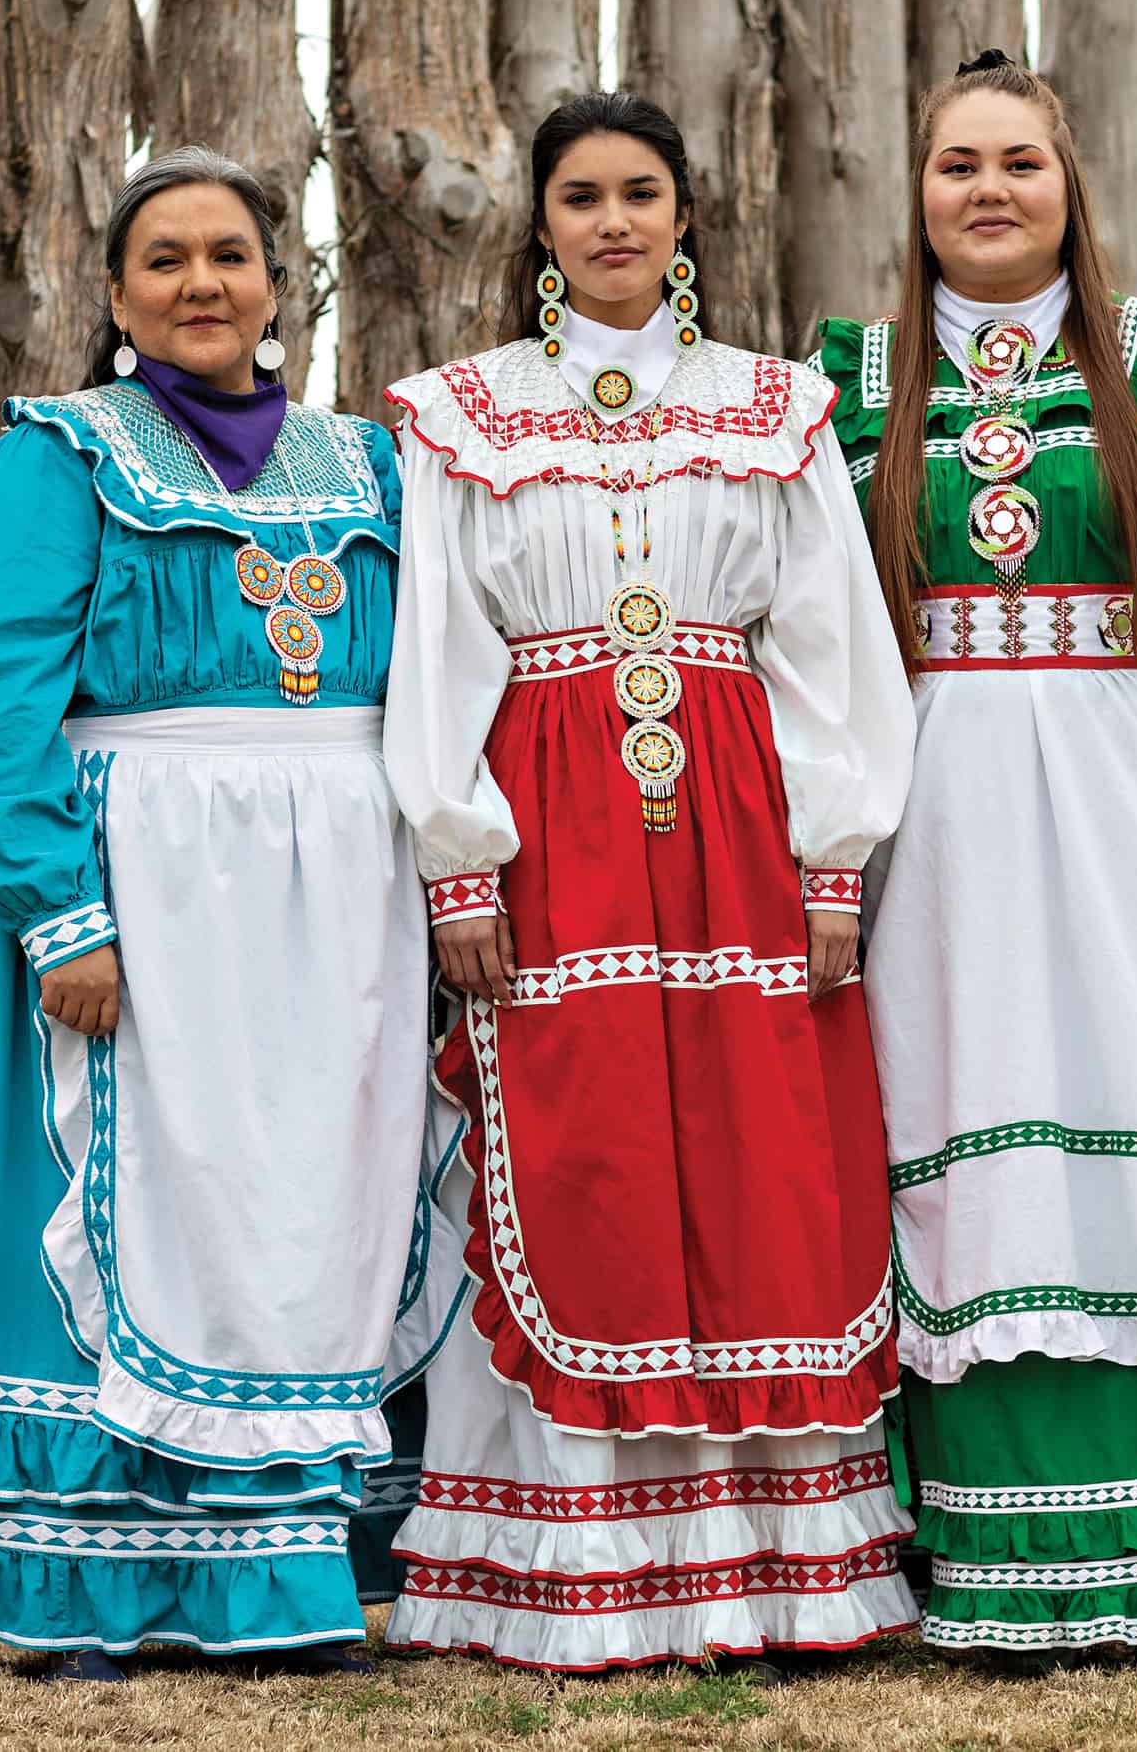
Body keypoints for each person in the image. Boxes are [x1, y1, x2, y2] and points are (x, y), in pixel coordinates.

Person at [379, 91, 919, 1672]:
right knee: (583, 1142)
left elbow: (828, 649)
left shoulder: (774, 409)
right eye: (579, 197)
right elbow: (439, 658)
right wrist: (459, 863)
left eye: (640, 193)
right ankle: (571, 1559)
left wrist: (836, 859)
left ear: (686, 216)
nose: (612, 221)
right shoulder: (464, 416)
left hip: (739, 818)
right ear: (539, 226)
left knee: (755, 1154)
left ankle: (772, 1574)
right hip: (551, 823)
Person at [0, 146, 438, 1676]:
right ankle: (107, 1590)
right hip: (141, 893)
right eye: (162, 261)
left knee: (304, 1217)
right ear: (113, 295)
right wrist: (60, 917)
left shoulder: (366, 464)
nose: (199, 286)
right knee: (149, 1219)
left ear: (277, 285)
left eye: (228, 256)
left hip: (329, 913)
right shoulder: (55, 457)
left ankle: (290, 1575)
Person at [812, 49, 1137, 1657]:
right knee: (961, 1118)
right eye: (955, 165)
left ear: (1072, 186)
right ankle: (988, 1554)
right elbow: (812, 643)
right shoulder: (854, 387)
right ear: (915, 195)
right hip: (938, 827)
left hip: (1130, 811)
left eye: (1021, 164)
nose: (988, 191)